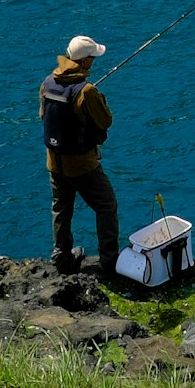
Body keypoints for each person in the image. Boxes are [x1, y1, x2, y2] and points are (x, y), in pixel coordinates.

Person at [40, 35, 119, 273]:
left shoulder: (47, 83)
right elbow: (105, 121)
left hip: (54, 161)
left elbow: (44, 115)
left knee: (61, 209)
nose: (93, 62)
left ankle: (61, 259)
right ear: (84, 62)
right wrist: (97, 97)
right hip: (82, 164)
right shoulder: (87, 91)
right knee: (106, 206)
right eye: (92, 58)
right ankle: (109, 262)